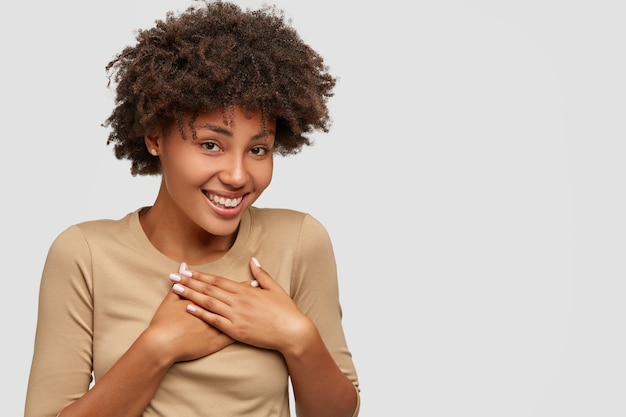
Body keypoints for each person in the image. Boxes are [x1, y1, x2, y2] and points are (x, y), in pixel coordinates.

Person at [24, 1, 360, 416]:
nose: (237, 175)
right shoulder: (84, 254)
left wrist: (297, 336)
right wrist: (158, 347)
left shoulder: (298, 241)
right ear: (154, 137)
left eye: (258, 149)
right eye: (210, 145)